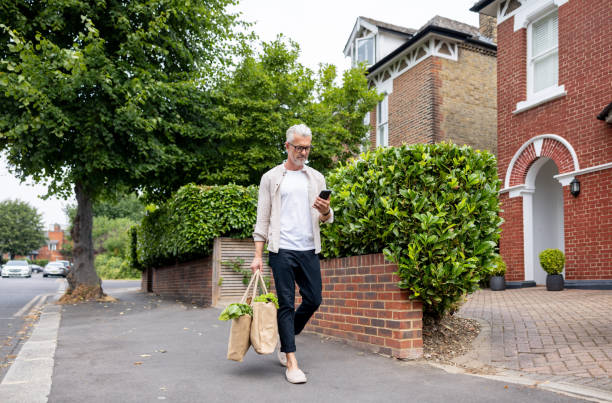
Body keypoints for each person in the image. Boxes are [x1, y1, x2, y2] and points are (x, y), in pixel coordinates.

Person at [250, 123, 333, 384]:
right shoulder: (271, 177)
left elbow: (328, 218)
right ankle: (291, 360)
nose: (303, 152)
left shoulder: (317, 178)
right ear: (287, 146)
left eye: (307, 148)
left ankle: (284, 337)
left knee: (314, 299)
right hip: (281, 249)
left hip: (308, 248)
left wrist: (325, 211)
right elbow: (262, 220)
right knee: (285, 303)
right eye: (298, 147)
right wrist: (257, 256)